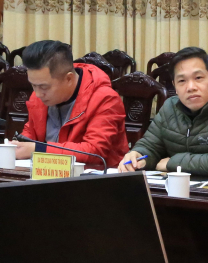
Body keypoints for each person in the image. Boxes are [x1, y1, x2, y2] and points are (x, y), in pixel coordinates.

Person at [117, 47, 208, 177]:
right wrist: (137, 155)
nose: (191, 87)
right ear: (174, 86)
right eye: (182, 81)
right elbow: (150, 146)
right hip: (182, 189)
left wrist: (171, 163)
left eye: (198, 78)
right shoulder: (170, 107)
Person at [14, 40, 127, 168]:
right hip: (47, 172)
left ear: (69, 78)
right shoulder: (39, 96)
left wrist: (39, 149)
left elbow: (94, 151)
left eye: (44, 87)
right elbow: (30, 134)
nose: (38, 93)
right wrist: (18, 146)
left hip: (95, 176)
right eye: (33, 85)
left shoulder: (105, 99)